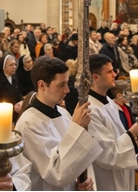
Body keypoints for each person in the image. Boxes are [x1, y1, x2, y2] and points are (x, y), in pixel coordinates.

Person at [15, 56, 100, 190]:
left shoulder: (63, 113)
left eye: (67, 83)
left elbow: (73, 159)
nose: (67, 90)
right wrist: (76, 127)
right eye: (61, 85)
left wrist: (82, 181)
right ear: (42, 85)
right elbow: (55, 172)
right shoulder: (29, 123)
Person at [88, 54, 138, 191]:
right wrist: (133, 132)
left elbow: (119, 136)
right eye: (109, 72)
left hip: (123, 173)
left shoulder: (109, 102)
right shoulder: (90, 110)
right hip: (107, 179)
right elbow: (107, 154)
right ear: (95, 77)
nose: (115, 74)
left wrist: (136, 162)